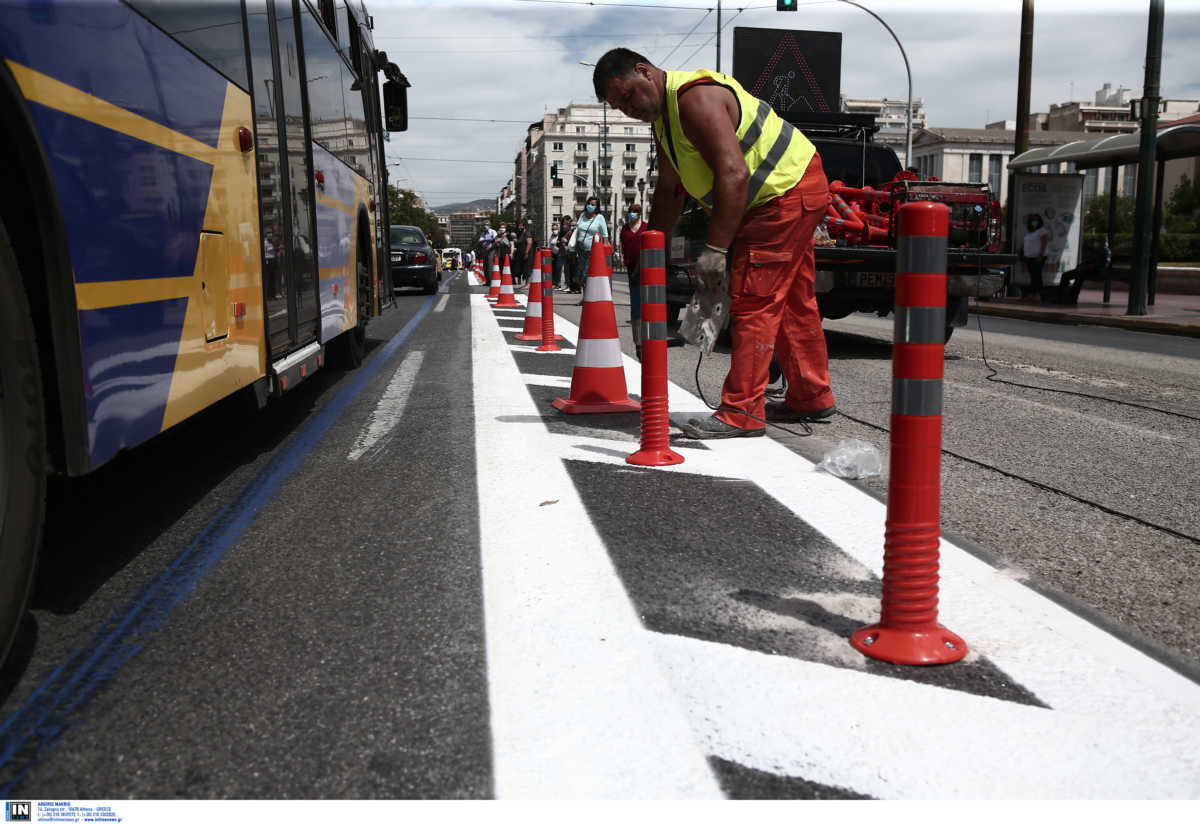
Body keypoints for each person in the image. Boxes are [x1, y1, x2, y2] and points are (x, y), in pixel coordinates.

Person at [593, 48, 834, 439]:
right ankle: (811, 395)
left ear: (645, 72)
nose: (627, 110)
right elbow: (671, 190)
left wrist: (716, 251)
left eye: (629, 97)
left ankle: (742, 413)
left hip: (782, 194)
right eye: (618, 106)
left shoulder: (695, 99)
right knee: (791, 300)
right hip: (788, 190)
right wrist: (652, 248)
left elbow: (734, 174)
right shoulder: (665, 121)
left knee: (755, 300)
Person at [619, 203, 648, 357]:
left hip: (645, 266)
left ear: (640, 214)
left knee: (647, 300)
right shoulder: (624, 228)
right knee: (636, 301)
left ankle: (648, 336)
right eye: (631, 211)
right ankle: (638, 341)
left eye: (636, 212)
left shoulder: (646, 227)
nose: (633, 214)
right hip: (632, 267)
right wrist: (622, 257)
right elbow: (621, 245)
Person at [574, 195, 609, 287]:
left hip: (592, 251)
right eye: (588, 204)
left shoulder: (600, 217)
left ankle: (587, 298)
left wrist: (605, 250)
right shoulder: (582, 215)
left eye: (593, 205)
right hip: (580, 249)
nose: (590, 206)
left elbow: (605, 234)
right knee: (580, 274)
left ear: (597, 207)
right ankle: (585, 297)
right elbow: (577, 229)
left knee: (587, 274)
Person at [1020, 214, 1051, 302]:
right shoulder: (1030, 231)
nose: (1034, 222)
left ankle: (1038, 295)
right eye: (1033, 220)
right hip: (1029, 257)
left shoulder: (1042, 231)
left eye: (1036, 220)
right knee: (1033, 276)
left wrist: (1040, 255)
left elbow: (1044, 243)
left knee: (1037, 276)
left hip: (1038, 257)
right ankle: (1033, 294)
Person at [553, 215, 575, 291]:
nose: (565, 223)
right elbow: (560, 238)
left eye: (566, 221)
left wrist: (563, 240)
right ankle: (563, 284)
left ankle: (567, 285)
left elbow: (568, 239)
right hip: (562, 250)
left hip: (567, 250)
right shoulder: (563, 229)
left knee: (567, 268)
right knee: (563, 268)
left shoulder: (569, 230)